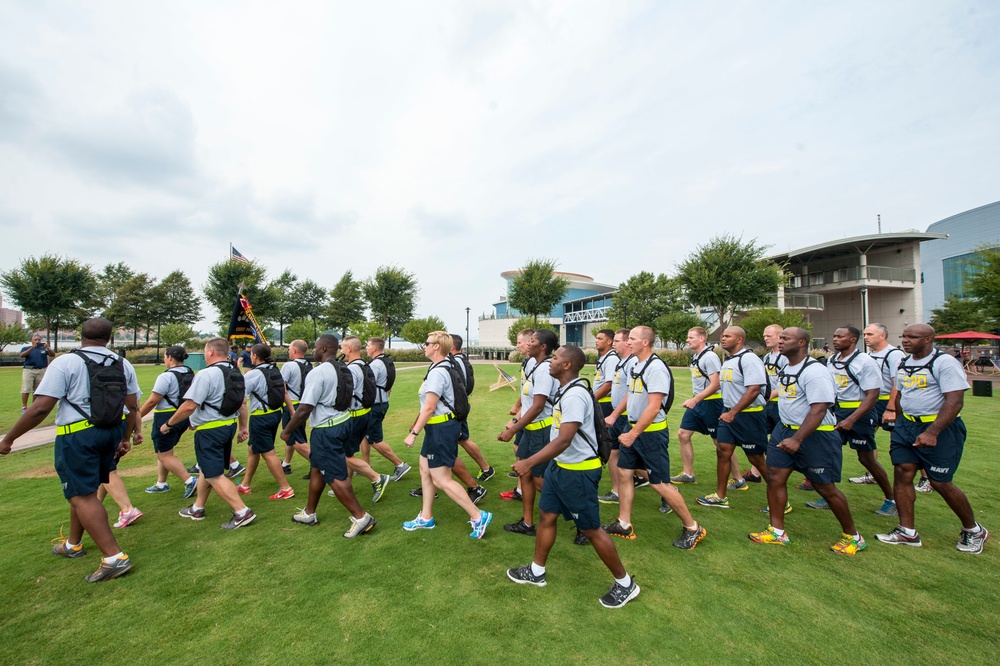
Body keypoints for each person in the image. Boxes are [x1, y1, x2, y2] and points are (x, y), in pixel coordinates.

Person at [1, 318, 140, 582]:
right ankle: (73, 544)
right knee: (83, 489)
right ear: (109, 339)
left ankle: (114, 558)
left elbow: (41, 407)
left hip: (78, 435)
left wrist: (8, 439)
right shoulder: (123, 363)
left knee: (81, 496)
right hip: (111, 431)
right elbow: (132, 405)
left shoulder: (66, 362)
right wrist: (125, 437)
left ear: (81, 336)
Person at [505, 345, 640, 609]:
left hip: (577, 472)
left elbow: (565, 438)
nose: (550, 362)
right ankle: (536, 571)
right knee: (547, 516)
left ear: (567, 365)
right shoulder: (565, 390)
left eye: (555, 358)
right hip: (560, 468)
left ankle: (626, 584)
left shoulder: (575, 395)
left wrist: (529, 462)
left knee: (591, 529)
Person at [749, 327, 865, 555]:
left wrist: (798, 439)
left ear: (801, 343)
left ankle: (853, 536)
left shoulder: (815, 371)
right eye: (780, 338)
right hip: (785, 430)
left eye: (786, 338)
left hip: (815, 435)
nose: (780, 342)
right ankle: (777, 531)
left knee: (825, 487)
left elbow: (820, 408)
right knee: (774, 478)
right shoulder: (786, 367)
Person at [875, 324, 988, 553]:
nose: (906, 341)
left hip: (939, 428)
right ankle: (907, 531)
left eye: (912, 337)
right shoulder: (903, 362)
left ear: (928, 339)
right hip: (906, 426)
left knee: (940, 482)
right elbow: (902, 393)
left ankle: (973, 530)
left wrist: (932, 431)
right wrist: (898, 419)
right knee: (902, 471)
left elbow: (955, 401)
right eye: (904, 336)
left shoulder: (944, 363)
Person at [605, 326, 706, 549]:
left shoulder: (656, 368)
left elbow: (654, 407)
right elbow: (631, 394)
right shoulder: (636, 364)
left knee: (659, 483)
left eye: (632, 339)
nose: (627, 342)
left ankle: (693, 527)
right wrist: (616, 417)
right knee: (624, 473)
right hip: (633, 430)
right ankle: (624, 523)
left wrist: (633, 433)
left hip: (649, 435)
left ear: (645, 343)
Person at [281, 334, 376, 537]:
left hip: (326, 429)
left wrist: (287, 430)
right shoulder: (344, 369)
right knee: (317, 468)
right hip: (343, 422)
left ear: (323, 349)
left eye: (315, 347)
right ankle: (309, 512)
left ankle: (361, 517)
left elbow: (305, 407)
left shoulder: (319, 372)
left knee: (334, 475)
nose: (312, 351)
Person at [401, 331, 493, 538]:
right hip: (437, 428)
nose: (424, 346)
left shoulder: (438, 372)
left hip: (441, 429)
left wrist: (413, 432)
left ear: (436, 347)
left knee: (442, 480)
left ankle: (478, 516)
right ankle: (426, 517)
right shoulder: (438, 367)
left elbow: (429, 407)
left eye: (427, 343)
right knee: (425, 469)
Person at [164, 337, 256, 530]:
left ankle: (241, 511)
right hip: (227, 425)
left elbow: (189, 405)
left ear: (211, 352)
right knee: (207, 469)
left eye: (205, 351)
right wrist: (243, 427)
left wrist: (169, 424)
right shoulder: (235, 371)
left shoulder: (207, 374)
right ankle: (198, 507)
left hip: (210, 430)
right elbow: (242, 404)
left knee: (214, 474)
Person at [814, 326, 895, 516]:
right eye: (834, 335)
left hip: (859, 412)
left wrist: (852, 419)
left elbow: (873, 395)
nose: (835, 339)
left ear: (852, 340)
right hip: (838, 411)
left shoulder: (865, 362)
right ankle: (829, 496)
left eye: (840, 336)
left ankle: (891, 499)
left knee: (866, 458)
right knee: (829, 452)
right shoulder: (833, 360)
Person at [697, 326, 770, 510]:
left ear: (739, 340)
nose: (722, 339)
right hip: (729, 413)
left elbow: (754, 389)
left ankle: (781, 498)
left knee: (756, 459)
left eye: (727, 336)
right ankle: (720, 496)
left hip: (749, 415)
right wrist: (728, 411)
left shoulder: (749, 359)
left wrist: (733, 412)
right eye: (722, 336)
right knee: (722, 450)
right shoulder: (729, 360)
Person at [497, 329, 561, 535]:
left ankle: (582, 522)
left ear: (543, 347)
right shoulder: (533, 365)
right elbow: (527, 400)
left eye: (532, 341)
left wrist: (513, 428)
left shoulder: (544, 369)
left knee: (541, 481)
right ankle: (527, 523)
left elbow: (538, 406)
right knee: (524, 473)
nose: (527, 344)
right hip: (530, 430)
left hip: (542, 431)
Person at [674, 327, 744, 489]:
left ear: (701, 339)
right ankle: (688, 474)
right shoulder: (696, 356)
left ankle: (738, 479)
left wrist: (695, 399)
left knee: (721, 442)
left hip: (712, 403)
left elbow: (716, 383)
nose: (687, 340)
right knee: (683, 434)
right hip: (698, 402)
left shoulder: (710, 356)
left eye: (691, 337)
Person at [137, 345, 198, 498]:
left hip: (166, 417)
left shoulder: (166, 376)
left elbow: (152, 401)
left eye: (165, 356)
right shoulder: (190, 373)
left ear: (170, 357)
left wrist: (137, 418)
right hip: (183, 416)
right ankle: (161, 483)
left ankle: (190, 480)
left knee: (164, 454)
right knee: (164, 451)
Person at [236, 344, 296, 500]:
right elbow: (284, 392)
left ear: (254, 356)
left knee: (268, 452)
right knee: (253, 449)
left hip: (260, 417)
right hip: (275, 414)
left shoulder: (253, 374)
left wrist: (239, 424)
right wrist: (292, 412)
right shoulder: (274, 369)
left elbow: (240, 398)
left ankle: (285, 488)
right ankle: (245, 484)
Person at [338, 336, 390, 503]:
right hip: (365, 412)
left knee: (343, 454)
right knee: (348, 451)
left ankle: (376, 478)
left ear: (349, 349)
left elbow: (347, 392)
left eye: (342, 348)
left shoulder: (352, 369)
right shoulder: (364, 365)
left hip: (355, 415)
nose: (341, 351)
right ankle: (346, 483)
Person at [360, 337, 410, 482]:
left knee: (374, 439)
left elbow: (367, 384)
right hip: (381, 402)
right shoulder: (386, 361)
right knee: (364, 435)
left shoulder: (375, 365)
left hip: (375, 405)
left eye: (368, 345)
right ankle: (365, 465)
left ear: (375, 348)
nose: (366, 347)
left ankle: (400, 464)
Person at [598, 328, 636, 506]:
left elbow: (631, 392)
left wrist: (614, 414)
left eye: (618, 341)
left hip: (627, 416)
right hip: (618, 415)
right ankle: (616, 491)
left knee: (635, 459)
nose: (615, 344)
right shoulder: (621, 361)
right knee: (613, 452)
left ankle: (666, 490)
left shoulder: (631, 363)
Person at [451, 334, 495, 482]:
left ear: (451, 346)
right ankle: (486, 468)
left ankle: (485, 469)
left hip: (457, 408)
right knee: (462, 439)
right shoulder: (461, 360)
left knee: (460, 439)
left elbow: (459, 386)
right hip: (460, 406)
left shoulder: (456, 362)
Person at [500, 329, 535, 501]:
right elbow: (527, 392)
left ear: (530, 342)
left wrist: (515, 419)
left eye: (519, 342)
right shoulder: (528, 362)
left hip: (534, 420)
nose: (517, 345)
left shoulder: (536, 364)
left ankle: (524, 488)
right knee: (518, 449)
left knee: (527, 455)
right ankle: (520, 489)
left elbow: (537, 400)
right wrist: (516, 405)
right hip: (526, 415)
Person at [279, 339, 312, 478]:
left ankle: (319, 465)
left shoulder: (289, 366)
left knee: (294, 438)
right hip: (305, 405)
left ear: (294, 350)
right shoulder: (310, 365)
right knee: (296, 436)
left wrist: (292, 410)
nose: (288, 351)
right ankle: (286, 464)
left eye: (289, 349)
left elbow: (283, 389)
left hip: (292, 406)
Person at [19, 333, 52, 413]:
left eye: (38, 340)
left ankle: (33, 406)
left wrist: (48, 348)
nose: (37, 341)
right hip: (29, 370)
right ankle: (24, 407)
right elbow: (22, 355)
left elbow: (52, 354)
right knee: (26, 389)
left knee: (37, 390)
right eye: (35, 340)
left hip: (41, 370)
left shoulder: (43, 348)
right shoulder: (26, 348)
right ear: (31, 340)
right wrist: (32, 348)